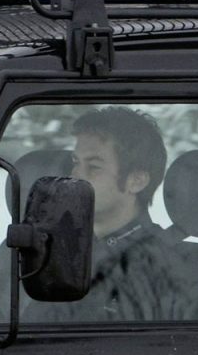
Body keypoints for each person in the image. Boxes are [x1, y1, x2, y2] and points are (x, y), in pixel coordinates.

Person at [65, 107, 186, 322]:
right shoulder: (67, 247)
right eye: (76, 163)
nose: (74, 176)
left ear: (136, 181)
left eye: (93, 167)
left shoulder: (156, 264)